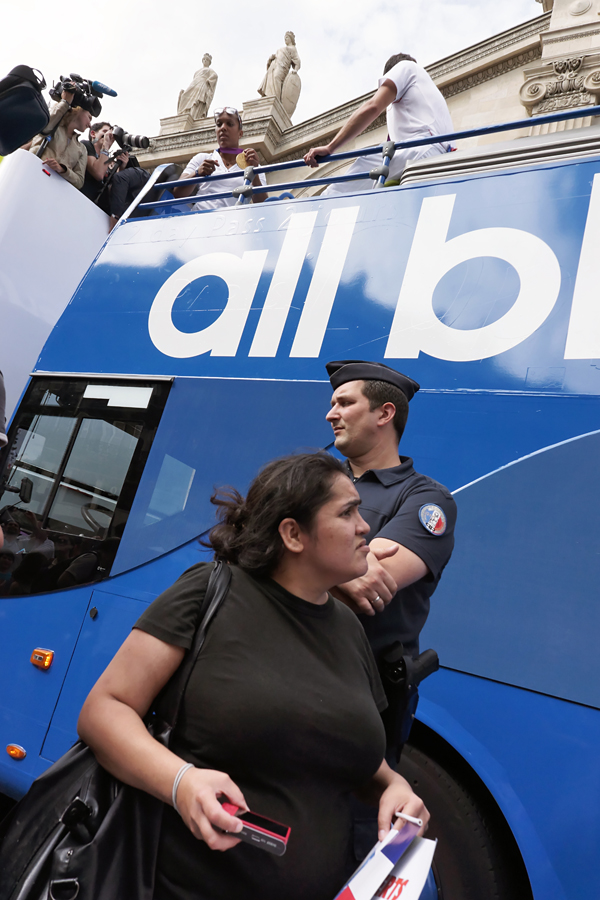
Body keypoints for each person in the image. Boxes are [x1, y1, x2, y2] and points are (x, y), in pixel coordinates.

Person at [78, 452, 429, 900]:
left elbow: (340, 749)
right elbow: (105, 709)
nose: (365, 527)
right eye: (348, 512)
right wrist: (181, 781)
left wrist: (394, 785)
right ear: (293, 534)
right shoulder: (210, 591)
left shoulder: (349, 629)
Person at [304, 53, 454, 195]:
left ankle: (313, 211)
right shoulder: (427, 100)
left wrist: (330, 147)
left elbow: (373, 107)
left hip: (419, 151)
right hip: (440, 160)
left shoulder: (405, 67)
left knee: (354, 175)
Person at [173, 107, 267, 210]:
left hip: (233, 223)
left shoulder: (255, 167)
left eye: (230, 124)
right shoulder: (202, 158)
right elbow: (177, 193)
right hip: (198, 220)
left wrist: (253, 173)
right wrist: (197, 174)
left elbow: (263, 205)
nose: (223, 128)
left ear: (240, 133)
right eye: (219, 124)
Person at [29, 88, 92, 189]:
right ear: (79, 109)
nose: (90, 125)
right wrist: (65, 102)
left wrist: (62, 169)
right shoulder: (54, 125)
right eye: (89, 117)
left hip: (52, 189)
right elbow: (43, 127)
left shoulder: (82, 149)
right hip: (29, 172)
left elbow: (79, 181)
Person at [80, 120, 118, 204]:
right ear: (93, 134)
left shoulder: (107, 160)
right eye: (105, 132)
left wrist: (122, 166)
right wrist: (106, 147)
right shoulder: (86, 145)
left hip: (96, 206)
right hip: (82, 198)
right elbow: (98, 174)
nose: (108, 135)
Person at [177, 54, 218, 119]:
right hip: (194, 83)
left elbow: (215, 75)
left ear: (209, 62)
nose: (205, 61)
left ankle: (193, 115)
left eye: (207, 60)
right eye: (204, 59)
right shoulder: (197, 72)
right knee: (184, 95)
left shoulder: (209, 70)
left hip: (202, 84)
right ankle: (184, 113)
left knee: (197, 100)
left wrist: (208, 80)